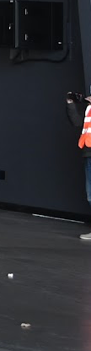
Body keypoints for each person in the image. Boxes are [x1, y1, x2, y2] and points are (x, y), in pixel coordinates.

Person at [73, 89, 91, 241]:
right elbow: (77, 123)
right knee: (90, 194)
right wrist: (70, 104)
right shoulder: (88, 109)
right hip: (88, 153)